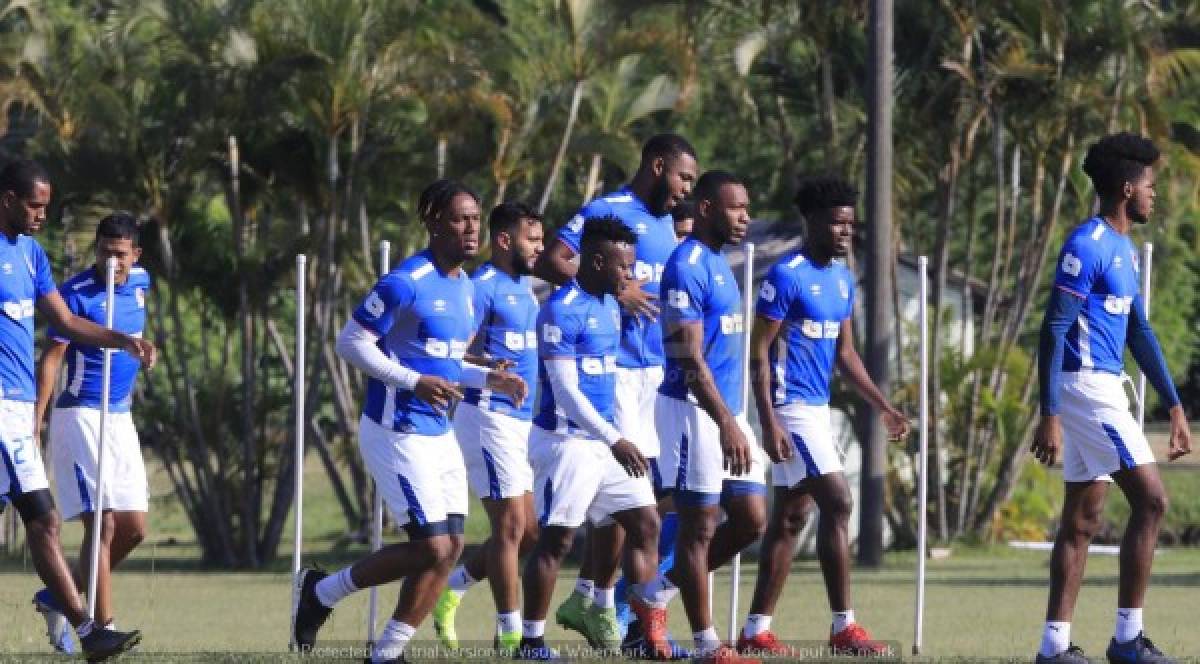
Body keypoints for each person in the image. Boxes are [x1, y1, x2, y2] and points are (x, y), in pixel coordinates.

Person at [292, 180, 527, 663]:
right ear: (433, 221)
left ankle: (386, 653)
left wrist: (487, 379)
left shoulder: (465, 286)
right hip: (395, 429)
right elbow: (351, 343)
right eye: (460, 218)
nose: (470, 228)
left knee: (453, 545)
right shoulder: (405, 281)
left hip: (439, 430)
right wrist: (412, 381)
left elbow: (443, 363)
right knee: (431, 546)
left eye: (475, 219)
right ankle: (321, 593)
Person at [1032, 133, 1191, 664]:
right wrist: (1049, 413)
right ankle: (1126, 640)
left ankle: (1054, 647)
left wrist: (1173, 406)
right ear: (1127, 188)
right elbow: (1054, 329)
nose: (1154, 194)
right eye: (1149, 185)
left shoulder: (1124, 250)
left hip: (1104, 387)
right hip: (1085, 388)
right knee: (1152, 500)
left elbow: (1139, 333)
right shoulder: (1087, 245)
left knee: (1082, 518)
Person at [534, 134, 697, 648]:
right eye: (682, 177)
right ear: (657, 166)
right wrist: (621, 289)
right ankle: (604, 606)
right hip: (616, 376)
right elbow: (553, 260)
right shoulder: (608, 210)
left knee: (661, 501)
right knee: (632, 500)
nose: (685, 189)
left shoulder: (671, 225)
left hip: (659, 375)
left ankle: (598, 597)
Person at [736, 175, 907, 658]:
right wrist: (768, 421)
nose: (844, 232)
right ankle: (844, 629)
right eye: (835, 223)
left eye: (849, 224)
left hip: (817, 409)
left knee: (790, 518)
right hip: (789, 408)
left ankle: (754, 631)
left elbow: (846, 355)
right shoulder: (785, 276)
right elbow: (759, 353)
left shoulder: (841, 279)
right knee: (839, 501)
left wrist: (883, 406)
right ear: (811, 222)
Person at [0, 159, 152, 661]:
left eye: (46, 204)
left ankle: (85, 630)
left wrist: (122, 341)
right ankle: (92, 629)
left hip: (17, 408)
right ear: (7, 199)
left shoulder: (33, 257)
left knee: (44, 522)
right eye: (34, 204)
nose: (42, 213)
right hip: (15, 407)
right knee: (53, 521)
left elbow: (63, 320)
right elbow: (56, 347)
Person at [519, 217, 671, 659]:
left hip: (605, 442)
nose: (629, 275)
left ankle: (641, 635)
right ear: (598, 261)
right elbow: (566, 393)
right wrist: (616, 439)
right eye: (624, 267)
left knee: (646, 524)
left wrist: (615, 436)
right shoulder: (559, 310)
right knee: (557, 542)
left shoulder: (609, 304)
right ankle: (530, 642)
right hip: (566, 443)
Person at [645, 171, 767, 664]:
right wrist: (726, 423)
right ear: (709, 210)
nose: (746, 217)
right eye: (736, 208)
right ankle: (707, 646)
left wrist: (737, 418)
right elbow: (689, 360)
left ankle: (653, 591)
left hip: (727, 412)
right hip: (694, 410)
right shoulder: (686, 266)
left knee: (752, 520)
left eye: (747, 208)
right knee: (699, 526)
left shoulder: (720, 262)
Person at [33, 212, 151, 654]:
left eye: (119, 255)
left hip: (120, 417)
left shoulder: (142, 283)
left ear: (134, 255)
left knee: (134, 528)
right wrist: (37, 419)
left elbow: (135, 336)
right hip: (80, 415)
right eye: (103, 251)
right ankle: (105, 627)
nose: (110, 262)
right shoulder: (74, 294)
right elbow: (51, 358)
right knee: (100, 525)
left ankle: (57, 596)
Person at [433, 202, 544, 653]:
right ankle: (512, 637)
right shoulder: (480, 288)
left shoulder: (526, 289)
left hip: (521, 421)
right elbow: (450, 353)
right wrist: (486, 366)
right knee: (511, 527)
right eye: (531, 239)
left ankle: (453, 588)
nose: (539, 246)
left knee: (533, 533)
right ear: (503, 240)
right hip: (485, 415)